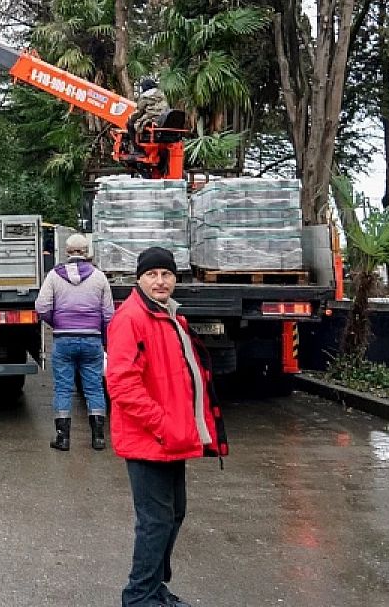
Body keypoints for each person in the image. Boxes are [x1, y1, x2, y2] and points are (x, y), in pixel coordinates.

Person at [105, 246, 228, 607]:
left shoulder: (169, 316)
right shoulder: (131, 319)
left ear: (175, 278)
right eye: (152, 275)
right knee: (155, 521)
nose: (160, 281)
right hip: (151, 438)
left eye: (166, 274)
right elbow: (122, 383)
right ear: (139, 279)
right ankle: (139, 595)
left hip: (171, 437)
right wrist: (162, 425)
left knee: (173, 515)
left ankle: (155, 588)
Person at [35, 233, 115, 451]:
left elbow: (41, 307)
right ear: (86, 251)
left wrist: (57, 322)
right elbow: (109, 314)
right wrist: (105, 339)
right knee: (94, 388)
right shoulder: (99, 277)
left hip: (63, 339)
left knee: (63, 388)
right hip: (92, 340)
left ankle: (63, 438)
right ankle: (98, 438)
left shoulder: (53, 276)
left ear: (67, 251)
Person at [127, 78, 170, 147]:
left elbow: (139, 111)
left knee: (130, 124)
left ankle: (137, 149)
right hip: (163, 120)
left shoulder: (145, 96)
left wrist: (131, 117)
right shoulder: (162, 95)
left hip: (152, 120)